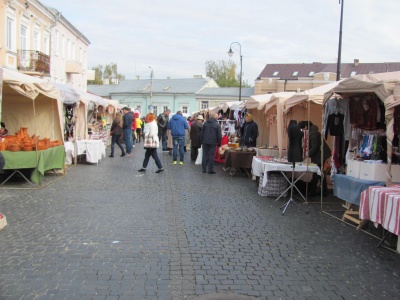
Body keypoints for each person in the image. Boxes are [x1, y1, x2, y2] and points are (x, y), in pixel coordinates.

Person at [307, 124, 331, 197]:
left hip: (320, 156)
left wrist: (307, 154)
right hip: (321, 155)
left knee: (317, 173)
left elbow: (315, 147)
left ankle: (313, 191)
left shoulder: (313, 134)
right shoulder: (315, 132)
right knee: (320, 173)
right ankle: (323, 191)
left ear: (305, 127)